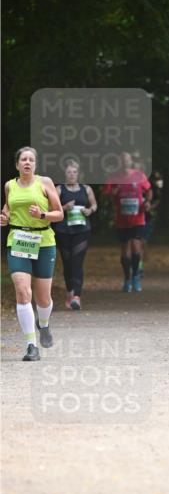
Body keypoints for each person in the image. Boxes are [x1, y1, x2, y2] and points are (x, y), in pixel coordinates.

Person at [0, 146, 63, 360]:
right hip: (18, 240)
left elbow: (59, 214)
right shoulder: (9, 185)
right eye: (23, 159)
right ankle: (31, 345)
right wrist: (4, 217)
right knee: (22, 291)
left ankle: (43, 324)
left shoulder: (44, 183)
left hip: (43, 240)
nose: (27, 162)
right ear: (17, 164)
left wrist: (42, 214)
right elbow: (8, 208)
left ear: (35, 164)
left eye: (31, 160)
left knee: (43, 298)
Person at [102, 152, 152, 292]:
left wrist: (147, 202)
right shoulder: (114, 177)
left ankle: (136, 276)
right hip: (121, 219)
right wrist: (113, 193)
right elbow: (105, 195)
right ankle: (127, 278)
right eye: (122, 160)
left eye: (127, 160)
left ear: (130, 162)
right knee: (125, 251)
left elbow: (149, 190)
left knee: (136, 249)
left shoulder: (139, 175)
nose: (125, 163)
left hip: (138, 218)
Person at [53, 159, 97, 310]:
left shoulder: (86, 189)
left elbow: (94, 205)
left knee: (77, 261)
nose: (72, 175)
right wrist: (64, 207)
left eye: (74, 172)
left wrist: (89, 210)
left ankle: (76, 296)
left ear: (79, 174)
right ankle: (69, 292)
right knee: (68, 263)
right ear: (64, 174)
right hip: (63, 230)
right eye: (69, 172)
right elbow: (51, 209)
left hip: (82, 230)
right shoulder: (59, 189)